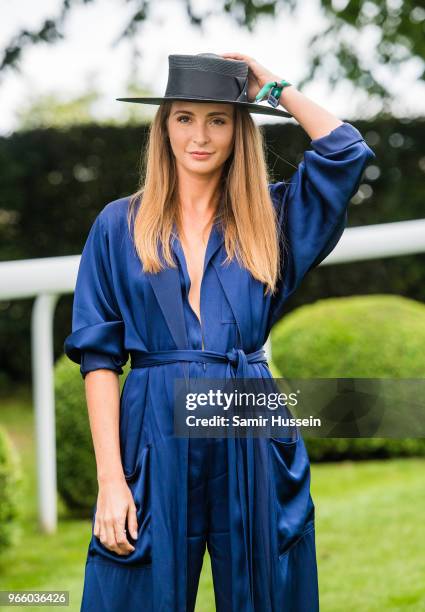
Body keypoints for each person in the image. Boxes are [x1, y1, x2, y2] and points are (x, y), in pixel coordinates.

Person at [64, 52, 376, 611]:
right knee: (132, 591)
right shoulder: (118, 225)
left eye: (218, 119)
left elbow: (344, 152)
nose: (199, 135)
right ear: (164, 129)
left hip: (249, 424)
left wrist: (273, 86)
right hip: (150, 433)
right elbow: (99, 359)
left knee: (265, 592)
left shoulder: (273, 220)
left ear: (240, 130)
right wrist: (111, 478)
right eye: (184, 118)